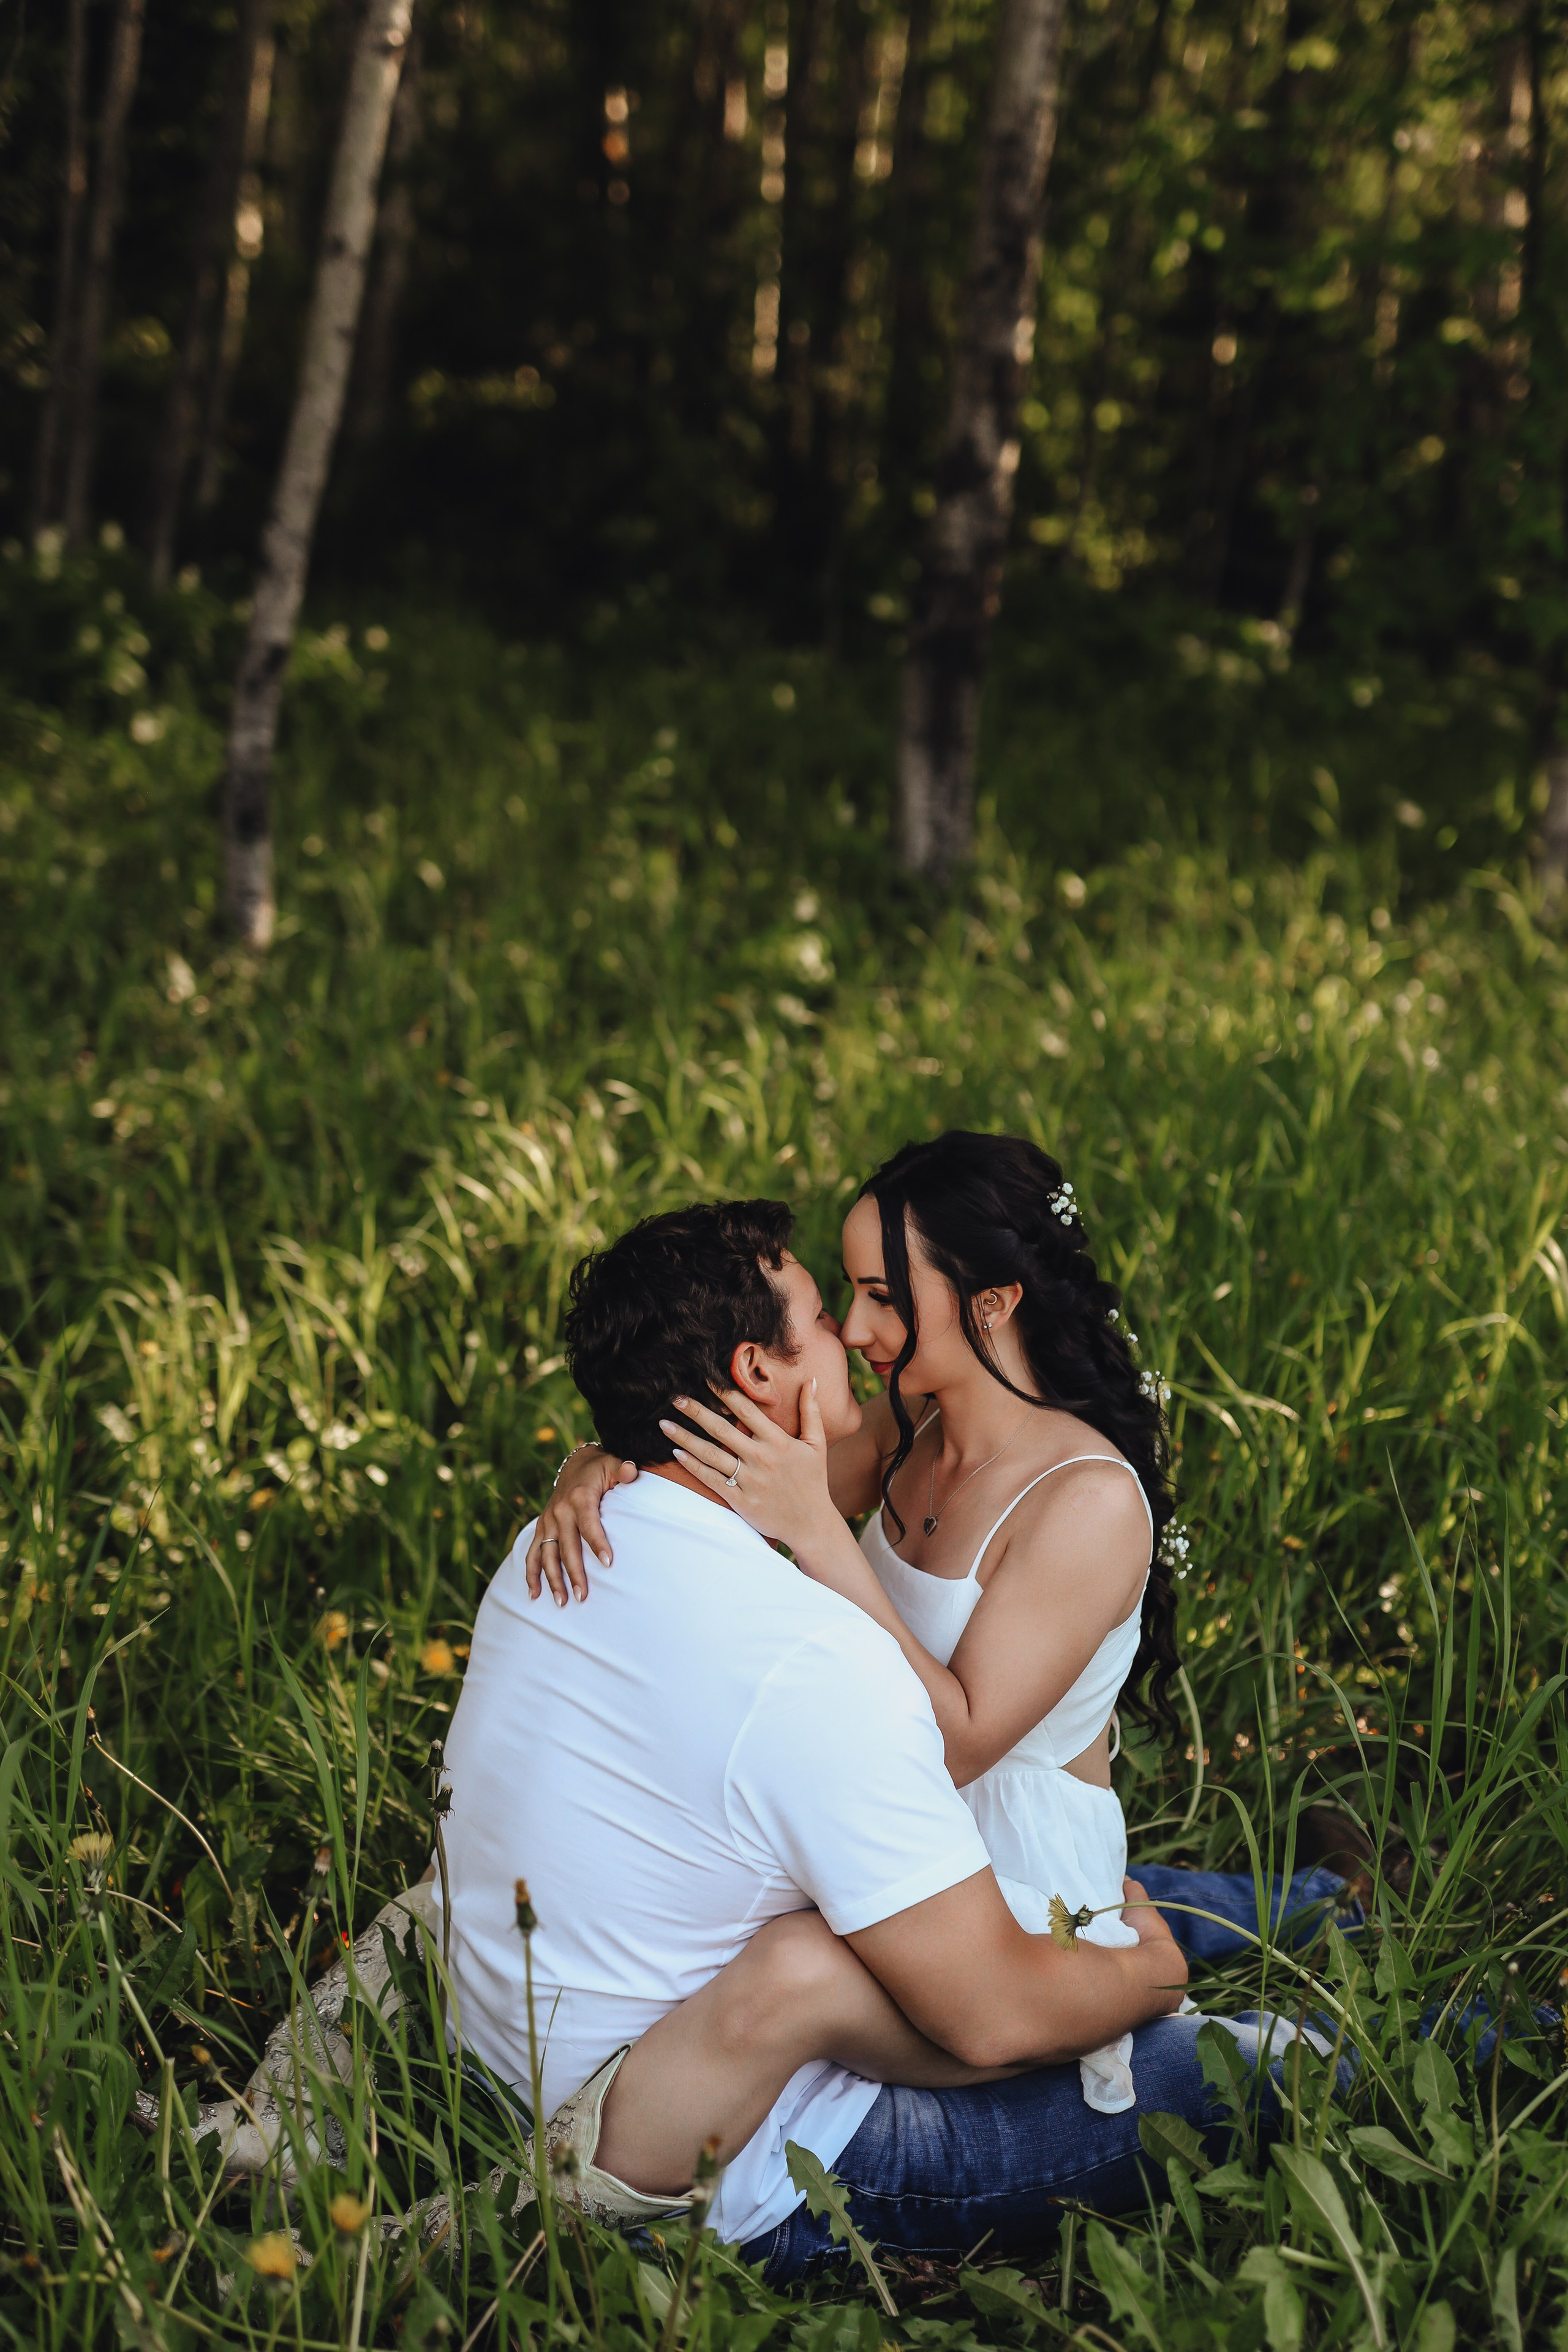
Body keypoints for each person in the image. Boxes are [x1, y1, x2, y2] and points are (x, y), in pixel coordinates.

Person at [438, 1178, 1335, 2283]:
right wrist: (1149, 1977)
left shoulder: (560, 1545)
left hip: (529, 2050)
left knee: (1107, 1891)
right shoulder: (815, 1659)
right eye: (829, 1312)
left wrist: (599, 1459)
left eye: (877, 1297)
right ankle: (1473, 2031)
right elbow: (994, 2015)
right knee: (1249, 2061)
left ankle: (1322, 1900)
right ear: (755, 1372)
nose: (855, 1334)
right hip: (759, 2146)